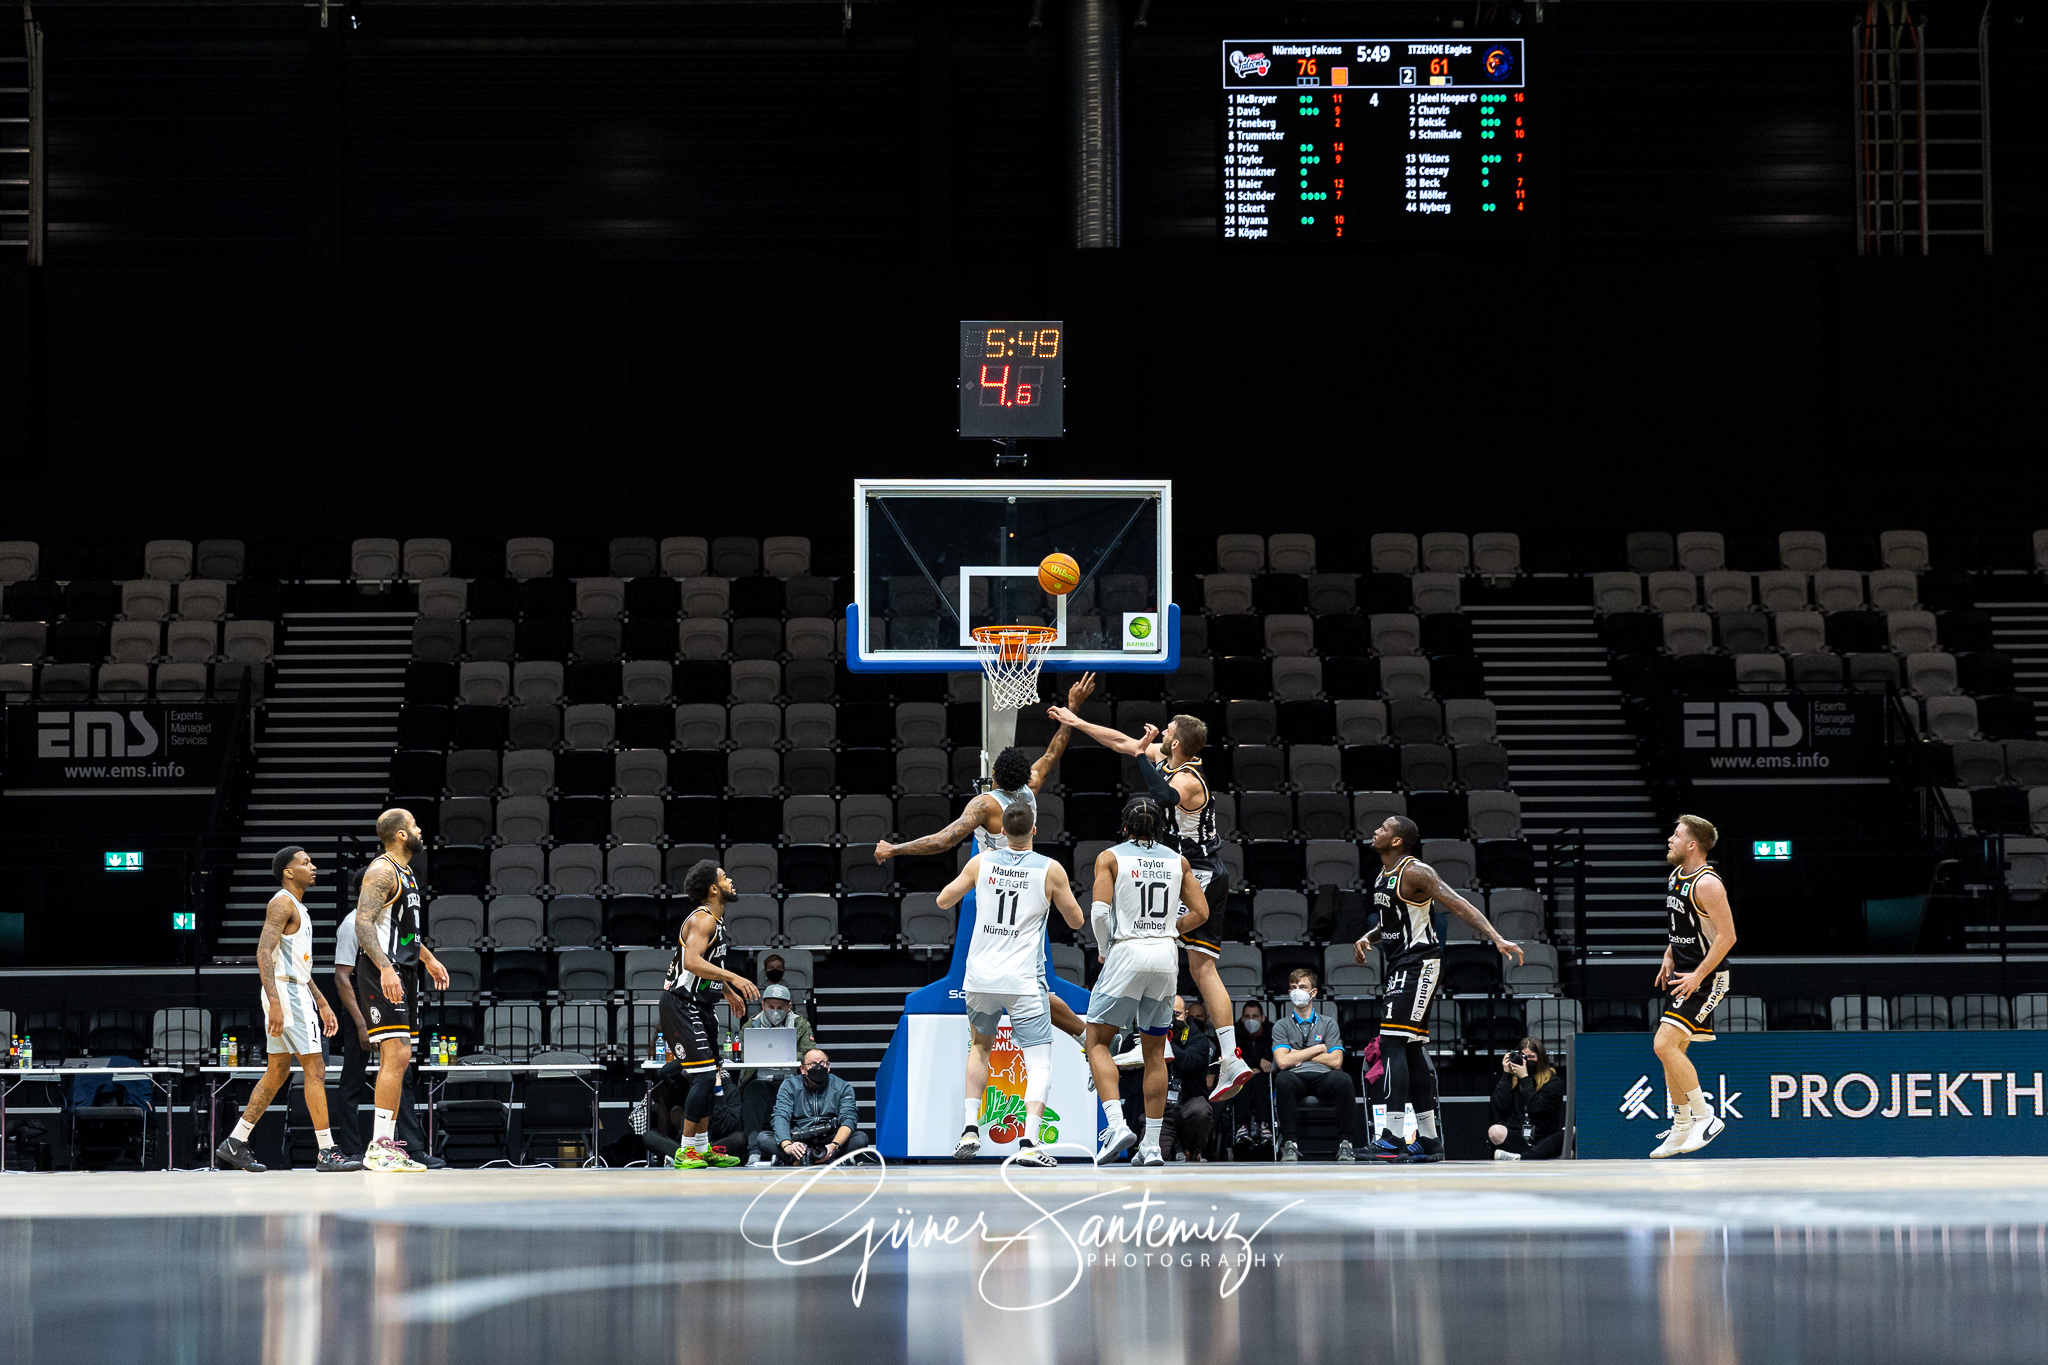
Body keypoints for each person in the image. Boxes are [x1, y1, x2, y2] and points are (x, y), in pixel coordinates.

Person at [1043, 705, 1254, 1106]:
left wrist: (1141, 755)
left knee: (1157, 946)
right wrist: (1077, 722)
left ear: (1175, 742)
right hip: (1195, 870)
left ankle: (1181, 1047)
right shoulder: (1171, 761)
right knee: (1187, 960)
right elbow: (1122, 742)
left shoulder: (1189, 779)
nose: (1159, 739)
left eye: (1166, 732)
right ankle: (1214, 1054)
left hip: (1201, 871)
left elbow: (1158, 794)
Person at [875, 674, 1098, 1047]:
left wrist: (894, 849)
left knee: (992, 974)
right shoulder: (1034, 783)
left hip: (995, 886)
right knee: (1031, 979)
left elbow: (943, 840)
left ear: (993, 775)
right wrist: (1072, 709)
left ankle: (981, 1040)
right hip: (1032, 884)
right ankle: (1082, 1034)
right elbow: (1054, 750)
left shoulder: (984, 805)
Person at [1355, 815, 1523, 1162]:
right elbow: (1394, 922)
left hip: (1420, 964)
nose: (1377, 831)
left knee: (1391, 1043)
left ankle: (1392, 1136)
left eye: (1384, 828)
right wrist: (1368, 936)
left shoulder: (1416, 872)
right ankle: (1429, 1139)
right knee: (1412, 1049)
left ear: (1398, 840)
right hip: (1402, 963)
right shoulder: (1383, 874)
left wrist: (1496, 938)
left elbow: (1459, 904)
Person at [938, 800, 1086, 1167]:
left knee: (980, 1048)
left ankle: (970, 1128)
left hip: (980, 977)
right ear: (1034, 830)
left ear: (1001, 831)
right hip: (1021, 980)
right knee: (1038, 1062)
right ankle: (1030, 1143)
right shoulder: (1050, 870)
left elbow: (943, 900)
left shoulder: (980, 862)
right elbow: (1077, 920)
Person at [1081, 795, 1210, 1166]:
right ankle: (1151, 1145)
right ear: (1161, 828)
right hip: (1165, 957)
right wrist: (1170, 929)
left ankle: (1118, 1125)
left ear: (1124, 827)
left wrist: (1106, 948)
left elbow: (1099, 914)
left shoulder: (1111, 857)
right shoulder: (1179, 861)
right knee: (1156, 1052)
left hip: (1127, 951)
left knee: (1097, 1042)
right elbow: (1200, 912)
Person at [213, 847, 360, 1172]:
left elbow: (297, 965)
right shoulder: (281, 902)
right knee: (315, 1069)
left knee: (278, 1070)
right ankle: (327, 1151)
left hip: (294, 988)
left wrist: (321, 1000)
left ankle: (235, 1142)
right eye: (305, 862)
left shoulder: (298, 907)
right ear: (288, 872)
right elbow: (263, 952)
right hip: (286, 992)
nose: (313, 866)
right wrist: (276, 1001)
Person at [351, 810, 452, 1173]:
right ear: (401, 835)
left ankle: (388, 1145)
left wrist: (426, 958)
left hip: (403, 970)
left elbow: (405, 932)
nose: (420, 828)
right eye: (415, 824)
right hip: (383, 971)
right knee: (394, 1055)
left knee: (403, 1057)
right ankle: (378, 1147)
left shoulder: (406, 873)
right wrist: (386, 968)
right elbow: (363, 925)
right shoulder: (381, 871)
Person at [661, 860, 760, 1169]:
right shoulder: (703, 920)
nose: (731, 880)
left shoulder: (716, 922)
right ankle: (684, 1150)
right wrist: (733, 978)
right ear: (714, 888)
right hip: (680, 1004)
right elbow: (691, 961)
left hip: (700, 1005)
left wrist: (726, 991)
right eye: (724, 877)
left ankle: (702, 1148)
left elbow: (703, 966)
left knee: (712, 1077)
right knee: (703, 1077)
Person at [1650, 815, 1737, 1158]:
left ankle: (1706, 1117)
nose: (1670, 839)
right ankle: (1682, 1125)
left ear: (1692, 845)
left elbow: (1727, 937)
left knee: (1663, 1044)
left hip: (1707, 977)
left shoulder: (1708, 884)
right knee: (1674, 1054)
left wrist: (1698, 975)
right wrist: (1669, 954)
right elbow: (1684, 926)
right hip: (1684, 973)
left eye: (1676, 834)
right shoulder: (1676, 876)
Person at [334, 902, 436, 1166]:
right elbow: (343, 978)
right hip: (361, 1001)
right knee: (352, 1079)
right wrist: (360, 1023)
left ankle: (411, 1148)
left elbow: (411, 945)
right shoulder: (352, 924)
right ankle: (352, 1149)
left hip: (388, 995)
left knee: (402, 1072)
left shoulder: (391, 922)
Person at [1270, 969, 1357, 1162]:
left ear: (1313, 992)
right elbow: (1283, 1062)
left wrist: (1297, 1054)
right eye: (1293, 987)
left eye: (1302, 987)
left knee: (1344, 1080)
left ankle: (1346, 1143)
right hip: (1295, 1078)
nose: (1296, 992)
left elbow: (1336, 1061)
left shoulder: (1329, 1023)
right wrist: (1318, 1049)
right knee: (1282, 1080)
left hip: (1324, 1077)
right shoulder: (1281, 1025)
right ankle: (1290, 1143)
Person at [738, 983, 814, 1164]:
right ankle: (753, 1151)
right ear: (762, 1005)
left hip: (791, 1081)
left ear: (789, 1006)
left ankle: (791, 1150)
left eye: (780, 1008)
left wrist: (786, 1056)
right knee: (752, 1091)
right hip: (761, 1080)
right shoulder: (752, 1025)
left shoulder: (800, 1024)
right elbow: (741, 1053)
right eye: (771, 1007)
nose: (775, 1011)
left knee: (800, 1092)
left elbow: (810, 1053)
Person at [757, 1047, 871, 1166]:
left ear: (828, 1066)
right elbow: (781, 1116)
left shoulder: (842, 1087)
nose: (818, 1067)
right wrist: (787, 1145)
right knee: (763, 1138)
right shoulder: (790, 1086)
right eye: (812, 1064)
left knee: (860, 1138)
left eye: (822, 1063)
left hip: (829, 1141)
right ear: (803, 1069)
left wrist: (834, 1146)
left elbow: (849, 1119)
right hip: (798, 1140)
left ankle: (799, 1161)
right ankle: (829, 1160)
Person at [1489, 1036, 1566, 1161]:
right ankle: (1533, 1156)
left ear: (1540, 1059)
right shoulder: (1512, 1081)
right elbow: (1498, 1106)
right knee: (1495, 1131)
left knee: (1570, 1131)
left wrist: (1525, 1078)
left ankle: (1522, 1157)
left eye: (1531, 1058)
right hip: (1517, 1137)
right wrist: (1507, 1074)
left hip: (1543, 1138)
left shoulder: (1553, 1082)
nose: (1526, 1062)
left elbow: (1536, 1108)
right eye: (1523, 1057)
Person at [1161, 996, 1218, 1162]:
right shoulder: (1150, 1035)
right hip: (1161, 1105)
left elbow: (1189, 1061)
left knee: (1200, 1111)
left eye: (1177, 1014)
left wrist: (1165, 1044)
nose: (1172, 1020)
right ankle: (1171, 1150)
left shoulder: (1198, 1038)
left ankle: (1194, 1149)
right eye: (1167, 1015)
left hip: (1189, 1100)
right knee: (1160, 1155)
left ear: (1186, 1014)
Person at [1229, 1000, 1276, 1151]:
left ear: (1263, 1017)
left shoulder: (1273, 1032)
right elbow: (1233, 1057)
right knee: (1244, 1080)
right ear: (1241, 1018)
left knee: (1260, 1080)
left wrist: (1264, 1065)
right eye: (1247, 1016)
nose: (1251, 1020)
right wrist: (1254, 1063)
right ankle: (1242, 1126)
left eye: (1255, 1016)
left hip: (1267, 1077)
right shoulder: (1234, 1034)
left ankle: (1264, 1125)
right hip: (1242, 1075)